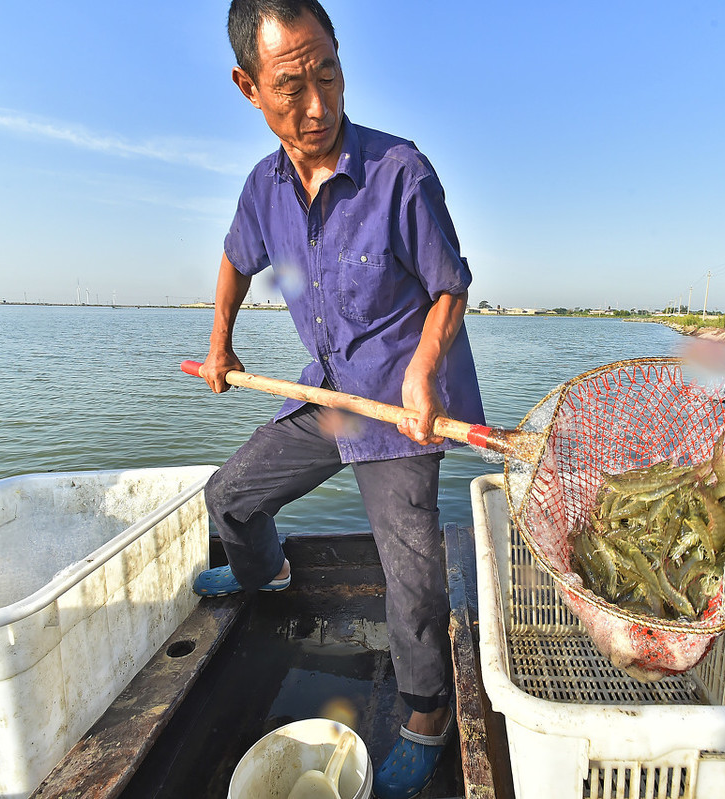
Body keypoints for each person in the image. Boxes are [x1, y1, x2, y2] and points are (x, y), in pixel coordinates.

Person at [192, 2, 484, 797]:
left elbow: (450, 286)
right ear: (248, 86)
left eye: (329, 73)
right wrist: (221, 340)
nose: (317, 104)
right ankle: (269, 572)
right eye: (291, 85)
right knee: (232, 498)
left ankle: (427, 717)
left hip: (403, 400)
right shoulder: (263, 189)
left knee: (413, 572)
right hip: (331, 390)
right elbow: (233, 259)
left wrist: (426, 365)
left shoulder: (401, 172)